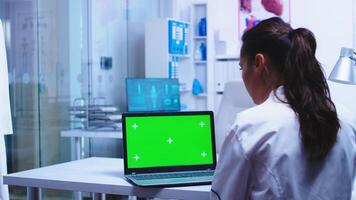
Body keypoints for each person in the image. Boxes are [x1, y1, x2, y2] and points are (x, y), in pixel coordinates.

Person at [211, 17, 356, 200]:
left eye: (242, 67)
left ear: (258, 63)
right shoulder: (346, 119)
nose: (243, 76)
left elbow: (223, 197)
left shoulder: (250, 126)